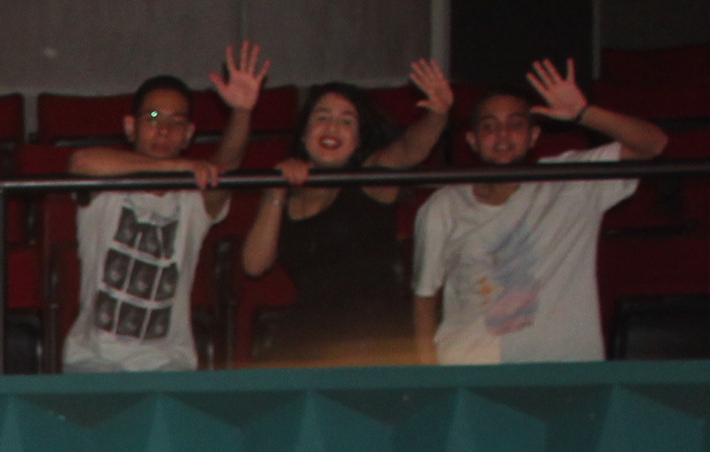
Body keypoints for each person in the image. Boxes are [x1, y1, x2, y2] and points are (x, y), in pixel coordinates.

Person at [410, 62, 671, 366]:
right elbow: (424, 297)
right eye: (489, 126)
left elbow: (653, 144)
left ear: (534, 135)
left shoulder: (571, 180)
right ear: (473, 141)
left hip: (563, 368)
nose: (503, 134)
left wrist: (584, 113)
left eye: (515, 123)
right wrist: (429, 377)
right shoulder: (444, 205)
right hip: (472, 368)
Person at [61, 49, 260, 373]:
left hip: (168, 362)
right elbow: (81, 162)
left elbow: (227, 166)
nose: (164, 130)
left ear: (189, 134)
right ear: (130, 126)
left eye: (176, 122)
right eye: (153, 118)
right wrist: (177, 165)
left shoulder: (193, 199)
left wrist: (241, 111)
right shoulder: (107, 187)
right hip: (92, 359)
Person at [237, 70, 450, 365]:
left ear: (358, 138)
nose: (332, 128)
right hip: (306, 341)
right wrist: (276, 189)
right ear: (304, 131)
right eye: (322, 117)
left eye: (346, 121)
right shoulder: (287, 194)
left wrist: (437, 116)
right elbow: (254, 264)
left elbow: (410, 149)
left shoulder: (371, 176)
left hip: (372, 344)